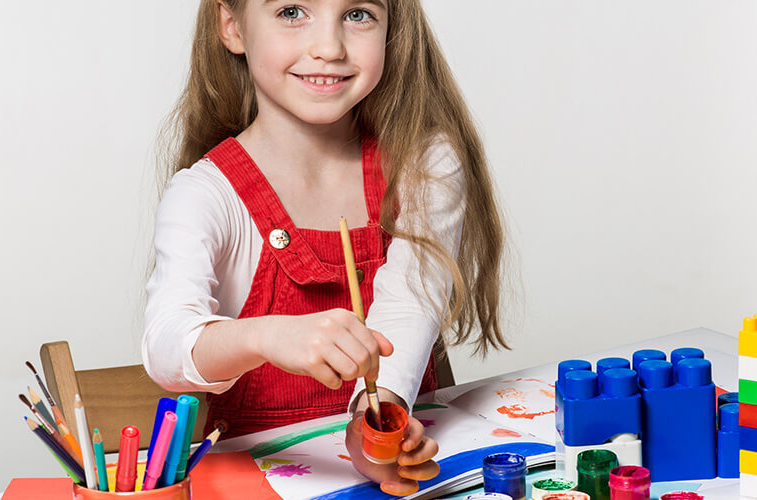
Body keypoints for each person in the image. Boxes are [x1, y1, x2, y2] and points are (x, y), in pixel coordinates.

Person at [142, 0, 506, 494]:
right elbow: (166, 348)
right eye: (292, 11)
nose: (330, 48)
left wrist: (373, 432)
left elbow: (407, 310)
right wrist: (266, 336)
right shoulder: (205, 194)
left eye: (357, 14)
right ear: (232, 26)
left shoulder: (425, 165)